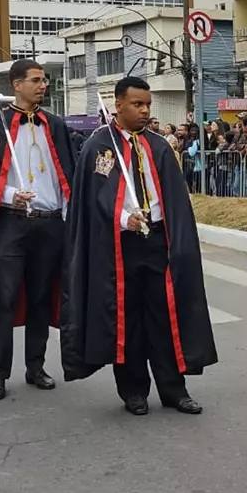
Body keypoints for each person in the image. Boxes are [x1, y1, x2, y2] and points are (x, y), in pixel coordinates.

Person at [61, 76, 215, 415]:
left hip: (159, 241)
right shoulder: (98, 146)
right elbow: (93, 202)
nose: (145, 110)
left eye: (147, 104)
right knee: (127, 319)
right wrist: (122, 218)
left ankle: (174, 390)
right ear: (118, 104)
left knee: (165, 317)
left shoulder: (159, 145)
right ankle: (133, 390)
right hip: (118, 248)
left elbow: (173, 197)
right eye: (137, 104)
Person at [0, 60, 77, 400]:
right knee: (5, 299)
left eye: (45, 80)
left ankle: (36, 366)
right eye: (36, 81)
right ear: (17, 85)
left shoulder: (54, 125)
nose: (43, 86)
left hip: (50, 223)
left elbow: (67, 175)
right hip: (12, 223)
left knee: (41, 297)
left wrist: (69, 212)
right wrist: (12, 194)